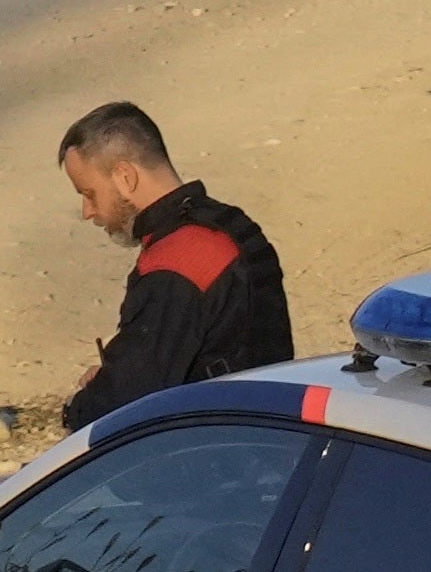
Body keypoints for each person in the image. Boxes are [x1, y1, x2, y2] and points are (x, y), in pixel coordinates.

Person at [54, 103, 297, 429]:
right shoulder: (230, 224)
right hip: (264, 428)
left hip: (220, 447)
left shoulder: (180, 257)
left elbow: (128, 397)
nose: (87, 211)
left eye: (90, 193)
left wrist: (78, 409)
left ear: (125, 177)